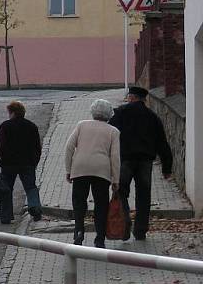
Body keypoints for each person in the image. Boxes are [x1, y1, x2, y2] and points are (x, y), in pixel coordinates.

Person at [109, 85, 172, 241]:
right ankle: (140, 230)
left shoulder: (120, 113)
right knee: (144, 195)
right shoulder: (152, 117)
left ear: (131, 98)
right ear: (144, 99)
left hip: (125, 159)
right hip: (145, 161)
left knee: (121, 191)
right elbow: (162, 143)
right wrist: (166, 167)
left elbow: (109, 134)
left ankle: (125, 224)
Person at [64, 99, 120, 248]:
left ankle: (79, 231)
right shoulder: (113, 131)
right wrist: (116, 179)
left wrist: (68, 169)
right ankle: (100, 238)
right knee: (101, 204)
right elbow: (115, 157)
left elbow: (69, 147)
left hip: (80, 168)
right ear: (109, 114)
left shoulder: (81, 125)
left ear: (93, 111)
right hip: (101, 171)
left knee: (79, 202)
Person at [0, 100, 43, 224]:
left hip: (9, 164)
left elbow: (0, 145)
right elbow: (37, 147)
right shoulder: (32, 126)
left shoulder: (5, 126)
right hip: (27, 163)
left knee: (6, 189)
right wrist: (34, 162)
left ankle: (6, 217)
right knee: (30, 187)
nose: (8, 115)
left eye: (9, 112)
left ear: (13, 113)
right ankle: (35, 209)